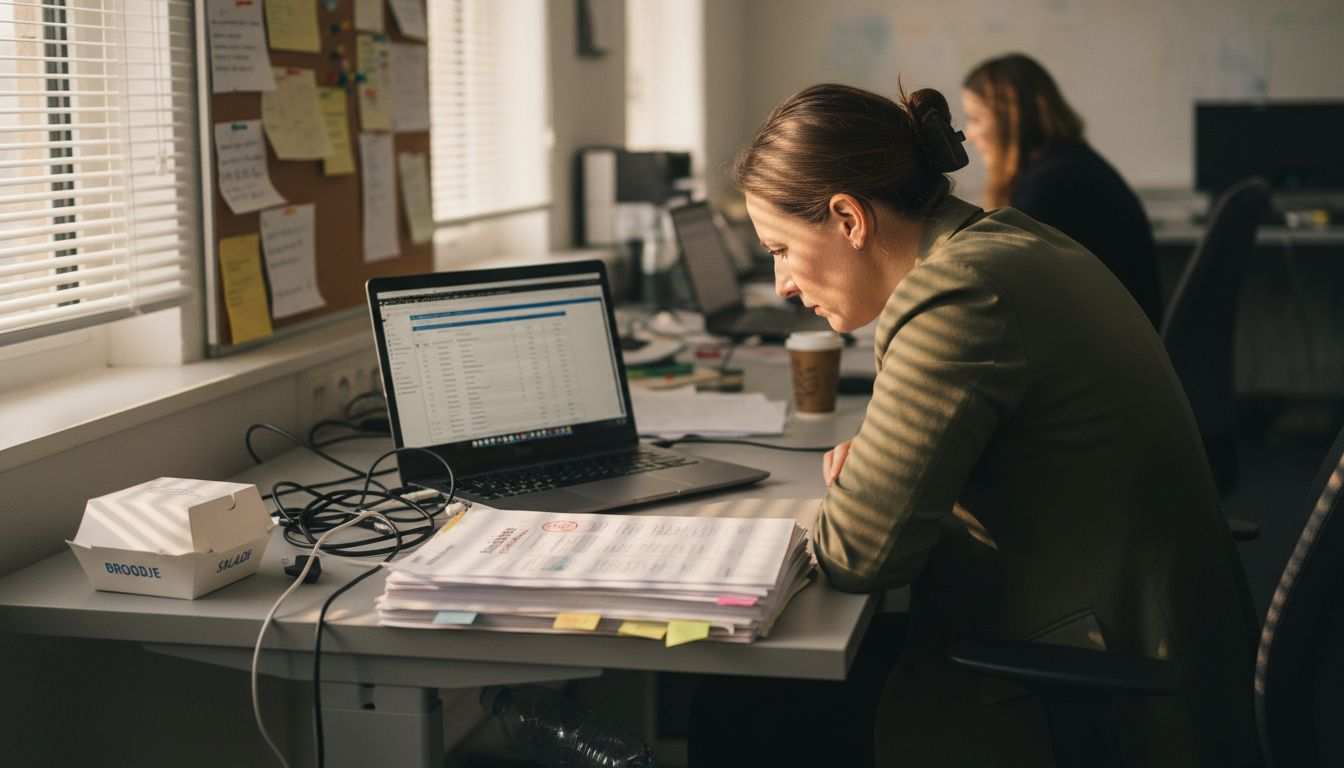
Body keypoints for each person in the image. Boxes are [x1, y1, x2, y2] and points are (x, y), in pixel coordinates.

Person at [688, 83, 1260, 767]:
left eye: (780, 247)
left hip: (1083, 667)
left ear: (848, 218)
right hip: (1150, 625)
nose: (781, 282)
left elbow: (858, 554)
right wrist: (876, 464)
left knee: (739, 702)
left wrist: (863, 481)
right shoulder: (1005, 241)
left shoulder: (958, 297)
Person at [961, 53, 1164, 327]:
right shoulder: (1071, 164)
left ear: (1010, 118)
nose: (969, 135)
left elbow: (1008, 284)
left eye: (975, 119)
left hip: (1106, 351)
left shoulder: (1052, 185)